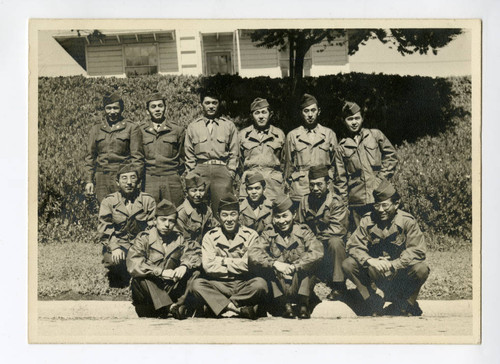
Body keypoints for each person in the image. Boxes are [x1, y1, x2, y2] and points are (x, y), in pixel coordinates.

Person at [342, 179, 430, 316]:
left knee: (421, 269)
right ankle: (372, 302)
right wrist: (370, 260)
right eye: (377, 206)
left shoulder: (408, 221)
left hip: (400, 275)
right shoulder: (367, 220)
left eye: (385, 206)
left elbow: (417, 250)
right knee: (348, 264)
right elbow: (353, 246)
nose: (380, 210)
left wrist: (393, 264)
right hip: (375, 274)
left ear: (396, 204)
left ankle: (406, 304)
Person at [190, 193, 268, 319]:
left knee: (261, 284)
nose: (229, 219)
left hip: (244, 283)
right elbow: (208, 267)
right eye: (225, 215)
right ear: (219, 217)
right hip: (219, 284)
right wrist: (238, 263)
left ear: (239, 215)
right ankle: (237, 309)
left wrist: (221, 261)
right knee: (197, 285)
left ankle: (220, 305)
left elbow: (251, 265)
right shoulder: (210, 236)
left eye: (233, 214)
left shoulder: (251, 235)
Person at [249, 194, 323, 319]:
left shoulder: (303, 231)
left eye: (285, 216)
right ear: (273, 218)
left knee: (310, 264)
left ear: (293, 215)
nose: (282, 221)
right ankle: (284, 305)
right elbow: (253, 253)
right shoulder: (268, 232)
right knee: (268, 267)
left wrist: (295, 266)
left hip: (299, 283)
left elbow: (317, 252)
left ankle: (303, 304)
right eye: (277, 217)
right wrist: (275, 264)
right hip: (279, 285)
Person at [127, 199, 201, 319]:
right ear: (155, 220)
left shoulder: (179, 239)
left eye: (171, 221)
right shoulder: (144, 239)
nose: (167, 224)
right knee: (139, 279)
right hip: (149, 298)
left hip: (170, 288)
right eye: (163, 220)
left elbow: (195, 254)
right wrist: (160, 272)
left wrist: (185, 265)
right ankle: (170, 308)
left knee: (195, 273)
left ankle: (178, 305)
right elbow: (133, 264)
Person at [334, 101, 398, 230]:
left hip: (379, 195)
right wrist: (344, 204)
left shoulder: (375, 135)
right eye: (349, 119)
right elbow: (340, 179)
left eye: (357, 118)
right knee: (360, 233)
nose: (354, 122)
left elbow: (391, 156)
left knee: (383, 231)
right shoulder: (341, 147)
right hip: (357, 200)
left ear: (362, 118)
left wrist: (381, 179)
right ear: (344, 121)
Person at [98, 163, 156, 288]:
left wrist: (143, 249)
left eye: (133, 178)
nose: (129, 182)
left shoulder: (148, 201)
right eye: (124, 178)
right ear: (117, 182)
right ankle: (122, 274)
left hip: (140, 246)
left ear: (139, 182)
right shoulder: (109, 201)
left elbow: (152, 229)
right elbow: (105, 228)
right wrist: (114, 247)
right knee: (113, 261)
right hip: (120, 245)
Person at [297, 165, 348, 301]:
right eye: (312, 185)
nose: (315, 189)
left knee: (336, 242)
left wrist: (314, 239)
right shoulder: (304, 201)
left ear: (328, 183)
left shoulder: (336, 202)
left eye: (319, 184)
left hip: (329, 249)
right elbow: (299, 226)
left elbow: (338, 230)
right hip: (312, 249)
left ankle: (339, 286)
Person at [184, 89, 239, 212]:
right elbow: (189, 152)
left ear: (219, 104)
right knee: (199, 208)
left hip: (222, 171)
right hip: (200, 170)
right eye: (207, 103)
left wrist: (231, 171)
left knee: (222, 206)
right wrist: (192, 172)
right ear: (201, 104)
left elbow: (234, 151)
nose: (211, 106)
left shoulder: (228, 125)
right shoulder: (193, 126)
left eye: (214, 103)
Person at [84, 91, 144, 203]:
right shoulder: (96, 129)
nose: (112, 112)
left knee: (123, 210)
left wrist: (135, 180)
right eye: (109, 108)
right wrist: (89, 180)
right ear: (104, 110)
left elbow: (137, 158)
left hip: (123, 177)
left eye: (115, 108)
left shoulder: (131, 128)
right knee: (104, 211)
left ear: (121, 109)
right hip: (102, 178)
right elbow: (90, 157)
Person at [285, 93, 338, 207]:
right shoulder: (293, 136)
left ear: (319, 111)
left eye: (313, 110)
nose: (310, 115)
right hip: (301, 189)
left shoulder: (329, 134)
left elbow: (336, 165)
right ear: (301, 113)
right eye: (306, 111)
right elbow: (288, 167)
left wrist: (330, 182)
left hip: (323, 188)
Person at [139, 91, 185, 206]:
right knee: (149, 212)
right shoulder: (140, 131)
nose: (157, 109)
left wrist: (172, 173)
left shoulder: (177, 130)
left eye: (160, 106)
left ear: (165, 108)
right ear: (147, 110)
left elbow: (183, 157)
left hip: (171, 179)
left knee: (174, 211)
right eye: (153, 107)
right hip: (149, 179)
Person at [239, 97, 286, 202]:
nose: (261, 116)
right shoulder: (242, 135)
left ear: (270, 114)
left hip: (273, 186)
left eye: (264, 112)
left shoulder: (279, 134)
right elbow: (238, 163)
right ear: (251, 116)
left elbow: (285, 163)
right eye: (257, 113)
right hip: (250, 186)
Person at [176, 171, 219, 245]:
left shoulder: (206, 210)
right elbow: (183, 242)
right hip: (188, 251)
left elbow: (215, 228)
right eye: (194, 191)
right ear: (186, 193)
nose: (198, 194)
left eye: (201, 190)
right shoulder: (181, 213)